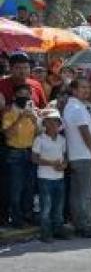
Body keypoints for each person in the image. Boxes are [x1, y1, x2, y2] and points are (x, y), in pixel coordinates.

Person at [63, 78, 91, 238]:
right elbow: (85, 133)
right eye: (83, 87)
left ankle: (80, 225)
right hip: (84, 156)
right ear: (74, 90)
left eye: (88, 87)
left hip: (77, 155)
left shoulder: (73, 106)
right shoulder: (77, 108)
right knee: (85, 194)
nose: (87, 90)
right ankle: (87, 226)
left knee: (78, 194)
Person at [2, 83, 38, 228]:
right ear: (15, 96)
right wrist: (20, 118)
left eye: (27, 94)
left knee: (29, 188)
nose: (24, 97)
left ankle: (28, 216)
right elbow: (7, 134)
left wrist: (35, 120)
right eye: (21, 94)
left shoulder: (32, 111)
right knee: (16, 188)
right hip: (15, 153)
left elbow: (39, 134)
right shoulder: (9, 112)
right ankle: (16, 219)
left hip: (30, 152)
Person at [32, 109, 68, 243]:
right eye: (50, 121)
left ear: (59, 124)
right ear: (45, 124)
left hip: (59, 178)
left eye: (56, 121)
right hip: (45, 178)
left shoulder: (62, 140)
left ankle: (58, 230)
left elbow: (64, 158)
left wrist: (64, 165)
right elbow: (34, 159)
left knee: (58, 207)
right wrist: (51, 163)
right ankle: (45, 233)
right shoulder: (39, 139)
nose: (53, 124)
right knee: (46, 208)